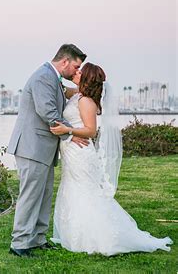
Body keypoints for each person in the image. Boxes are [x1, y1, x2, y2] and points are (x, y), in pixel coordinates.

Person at [49, 62, 173, 255]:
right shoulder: (78, 96)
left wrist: (68, 130)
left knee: (84, 191)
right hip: (71, 152)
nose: (77, 71)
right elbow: (62, 88)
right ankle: (74, 234)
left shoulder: (86, 101)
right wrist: (56, 76)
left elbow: (90, 131)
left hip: (80, 153)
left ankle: (94, 237)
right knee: (72, 188)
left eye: (81, 71)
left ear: (87, 78)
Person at [7, 44, 88, 258]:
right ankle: (20, 243)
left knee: (43, 195)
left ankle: (38, 239)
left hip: (44, 148)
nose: (76, 71)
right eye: (76, 66)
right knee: (31, 196)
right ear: (65, 62)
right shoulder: (44, 77)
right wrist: (71, 135)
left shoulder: (53, 78)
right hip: (32, 147)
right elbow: (48, 112)